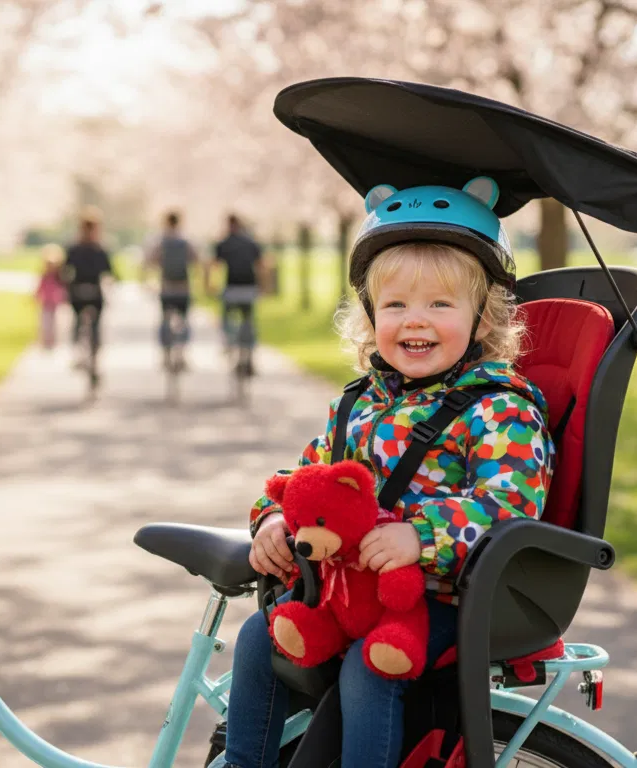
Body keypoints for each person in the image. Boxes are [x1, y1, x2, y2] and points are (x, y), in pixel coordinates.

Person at [225, 179, 556, 768]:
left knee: (369, 668)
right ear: (371, 314)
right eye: (396, 305)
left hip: (442, 598)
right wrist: (273, 518)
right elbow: (304, 478)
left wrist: (420, 537)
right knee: (258, 637)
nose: (414, 321)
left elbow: (510, 504)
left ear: (483, 319)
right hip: (348, 591)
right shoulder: (361, 402)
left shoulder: (498, 410)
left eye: (440, 305)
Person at [143, 210, 200, 372]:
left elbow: (149, 261)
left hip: (167, 288)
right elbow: (196, 260)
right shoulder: (186, 241)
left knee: (165, 320)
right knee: (184, 320)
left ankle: (165, 354)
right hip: (183, 288)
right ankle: (182, 353)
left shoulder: (161, 242)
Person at [211, 213, 264, 375]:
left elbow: (214, 265)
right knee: (249, 321)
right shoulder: (251, 243)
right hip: (249, 288)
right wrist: (263, 287)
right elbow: (261, 266)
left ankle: (229, 344)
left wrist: (211, 287)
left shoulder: (224, 243)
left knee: (227, 319)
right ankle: (249, 356)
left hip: (232, 288)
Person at [63, 208, 115, 370]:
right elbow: (109, 271)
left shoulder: (74, 248)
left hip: (77, 291)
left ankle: (77, 349)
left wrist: (66, 284)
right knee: (96, 324)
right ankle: (94, 351)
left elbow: (66, 270)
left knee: (77, 320)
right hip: (95, 291)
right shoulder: (100, 248)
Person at [34, 244, 67, 350]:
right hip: (46, 302)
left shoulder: (59, 277)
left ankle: (53, 340)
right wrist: (36, 296)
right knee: (45, 321)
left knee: (55, 322)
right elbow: (40, 287)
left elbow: (63, 288)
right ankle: (45, 340)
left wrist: (63, 298)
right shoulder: (44, 276)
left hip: (55, 302)